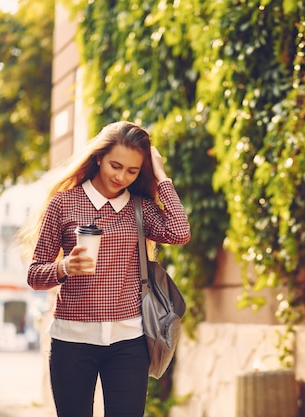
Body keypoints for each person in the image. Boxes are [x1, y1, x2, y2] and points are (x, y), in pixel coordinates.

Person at [24, 121, 190, 417]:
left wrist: (162, 177)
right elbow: (35, 274)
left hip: (129, 342)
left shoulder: (140, 208)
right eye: (115, 165)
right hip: (72, 342)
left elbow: (179, 232)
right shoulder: (64, 203)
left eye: (132, 171)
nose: (121, 176)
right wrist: (64, 267)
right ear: (98, 157)